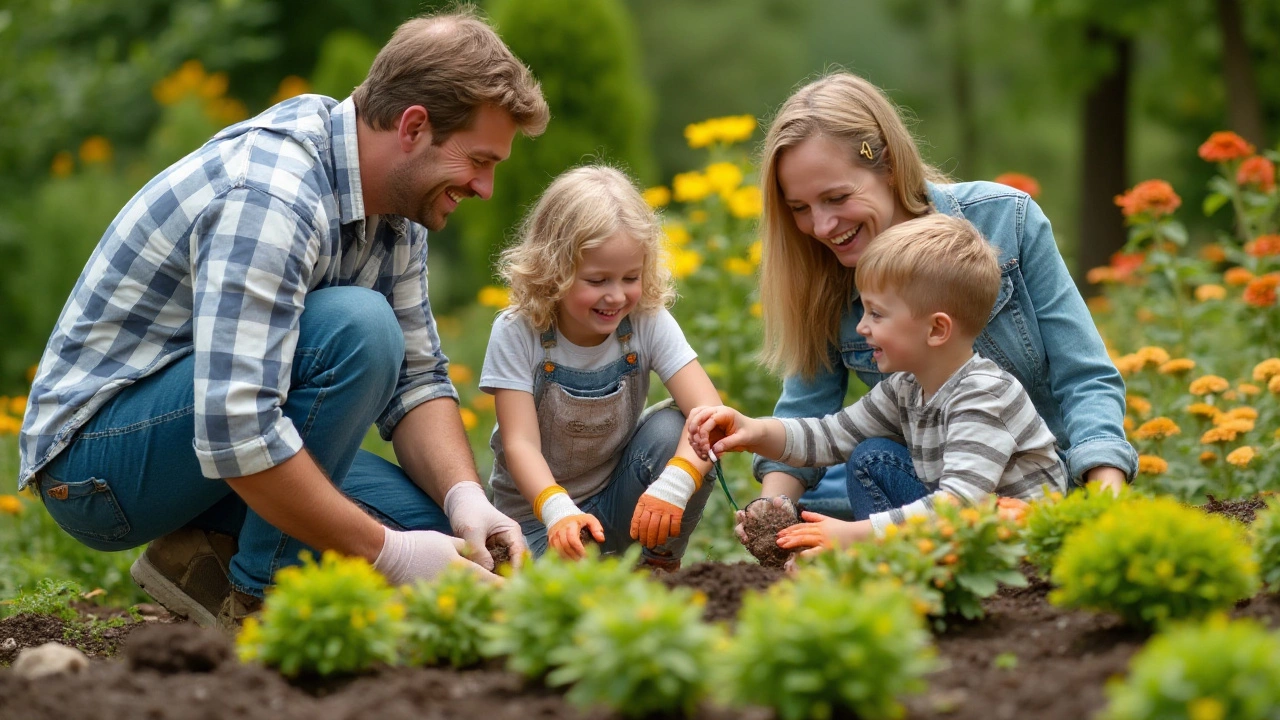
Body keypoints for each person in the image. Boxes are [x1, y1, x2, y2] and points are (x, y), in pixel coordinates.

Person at [17, 9, 549, 630]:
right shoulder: (272, 195)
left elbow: (417, 382)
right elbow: (236, 427)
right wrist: (389, 554)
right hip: (99, 465)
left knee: (454, 548)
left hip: (210, 442)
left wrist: (466, 502)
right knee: (357, 328)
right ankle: (261, 600)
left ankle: (197, 561)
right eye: (479, 161)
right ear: (412, 126)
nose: (485, 187)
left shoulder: (398, 208)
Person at [746, 72, 1136, 540]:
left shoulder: (1004, 221)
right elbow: (813, 421)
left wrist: (1102, 504)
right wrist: (773, 509)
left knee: (865, 474)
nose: (823, 226)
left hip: (1036, 492)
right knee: (841, 475)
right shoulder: (822, 273)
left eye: (837, 198)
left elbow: (1085, 376)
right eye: (800, 208)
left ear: (887, 165)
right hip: (933, 483)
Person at [688, 214, 1068, 551]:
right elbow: (830, 435)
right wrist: (751, 430)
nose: (861, 327)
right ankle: (886, 563)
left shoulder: (983, 395)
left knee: (872, 465)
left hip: (1018, 547)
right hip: (965, 531)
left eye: (877, 313)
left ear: (936, 329)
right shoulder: (907, 387)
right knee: (870, 457)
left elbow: (958, 504)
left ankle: (874, 561)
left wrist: (853, 536)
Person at [479, 165, 722, 570]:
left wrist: (675, 483)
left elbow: (712, 416)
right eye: (596, 280)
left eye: (630, 277)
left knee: (682, 430)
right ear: (553, 270)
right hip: (536, 521)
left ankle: (654, 570)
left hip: (621, 500)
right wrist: (558, 511)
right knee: (549, 600)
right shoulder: (518, 330)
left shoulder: (646, 319)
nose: (616, 296)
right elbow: (519, 443)